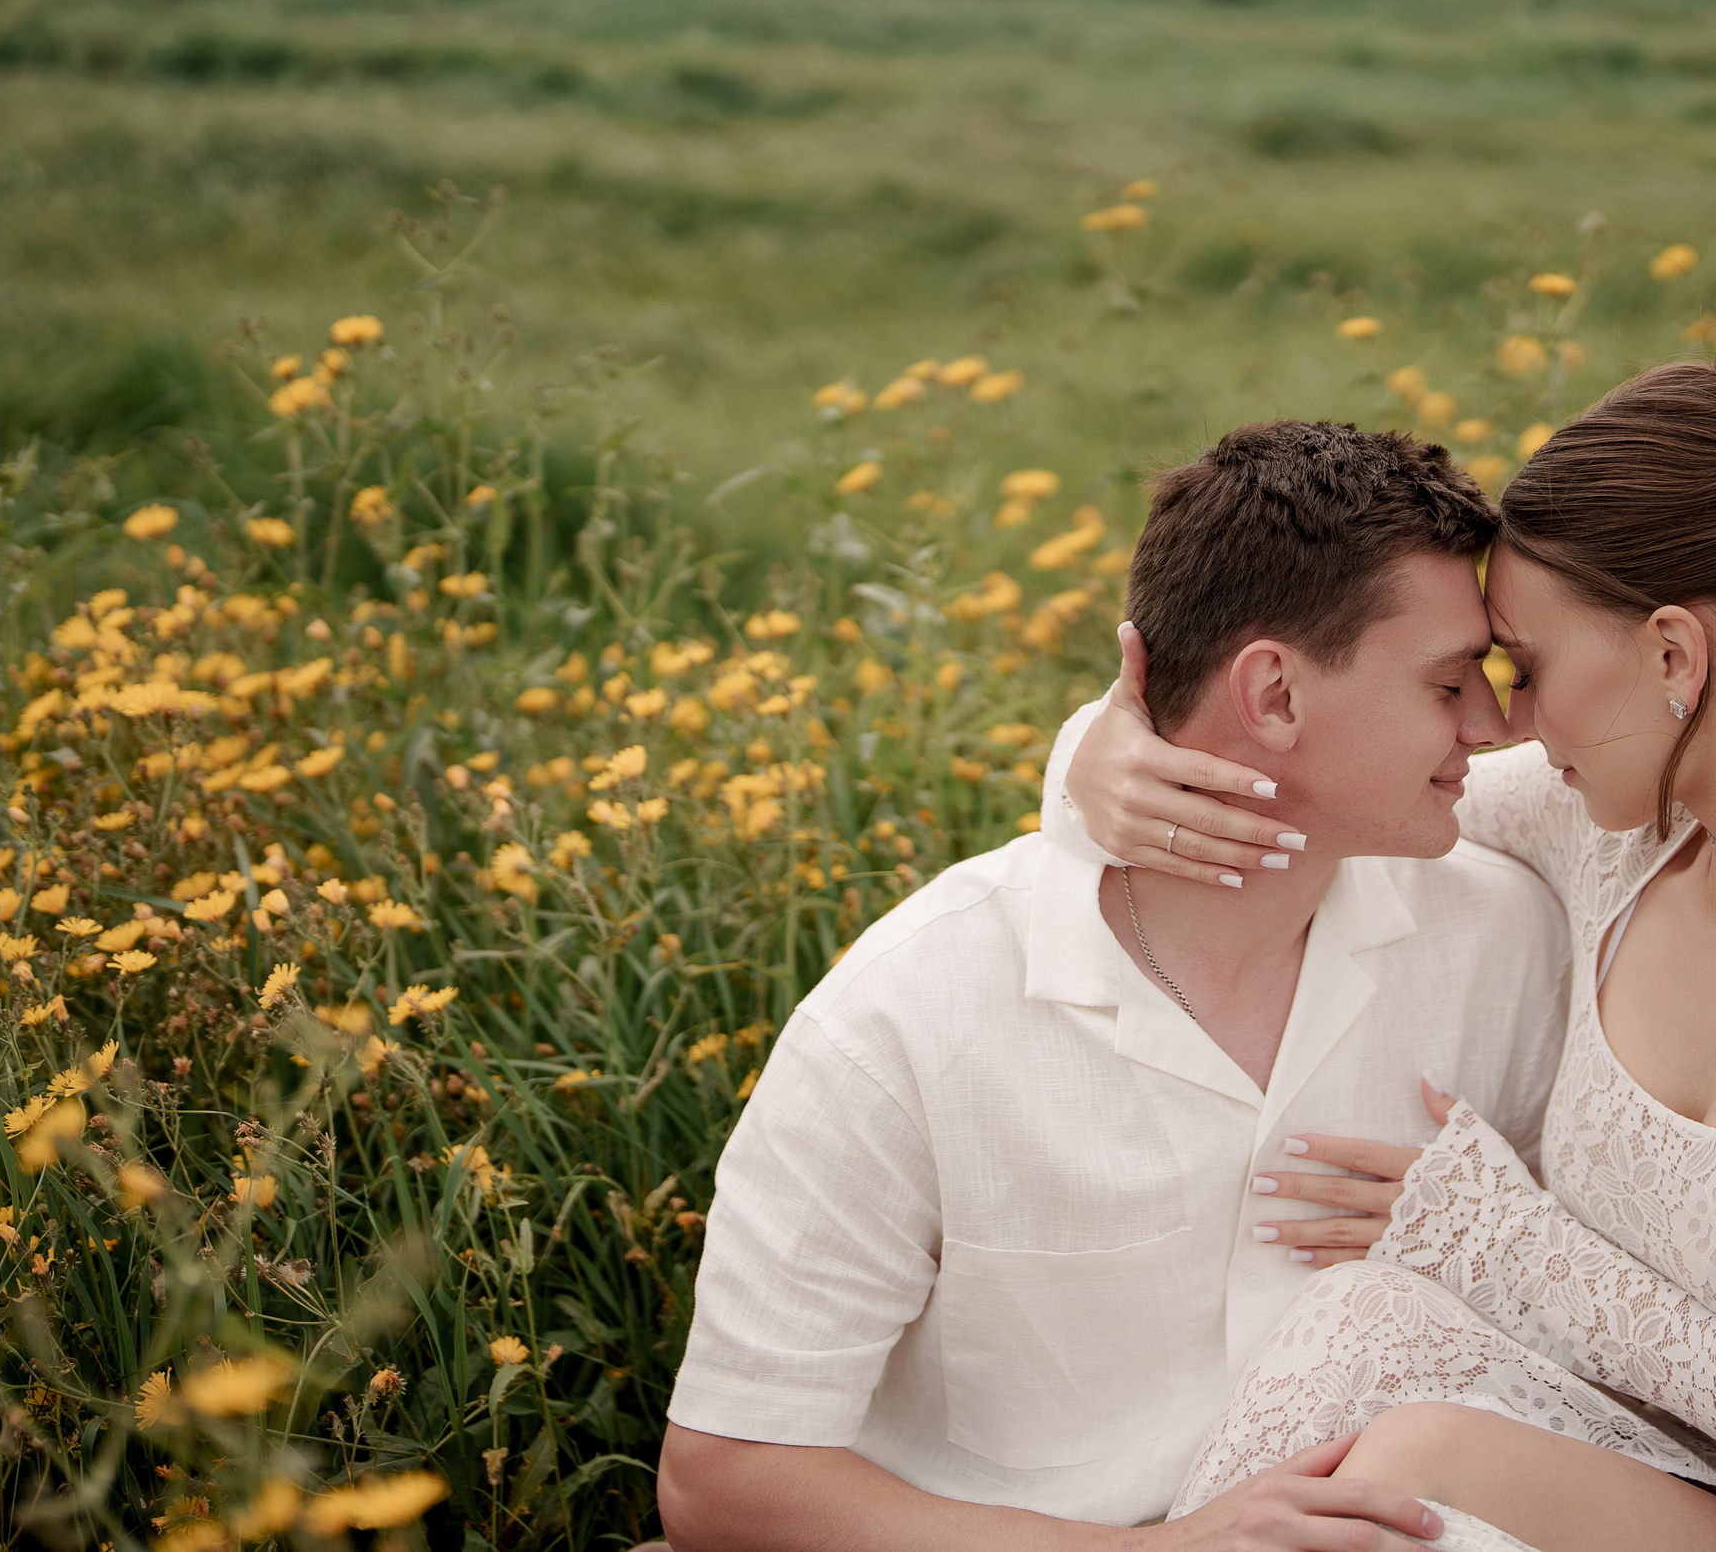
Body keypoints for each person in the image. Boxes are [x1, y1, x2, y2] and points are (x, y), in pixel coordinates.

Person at [1050, 348, 1716, 1551]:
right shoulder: (1605, 835)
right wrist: (1096, 748)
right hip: (1648, 1468)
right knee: (1364, 1323)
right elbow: (1313, 777)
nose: (1501, 719)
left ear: (1672, 657)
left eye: (1530, 668)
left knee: (1410, 1434)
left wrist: (1511, 1247)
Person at [657, 422, 1571, 1551]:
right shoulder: (908, 1014)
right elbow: (721, 1481)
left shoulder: (1509, 943)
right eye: (1447, 683)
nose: (1492, 727)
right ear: (1273, 695)